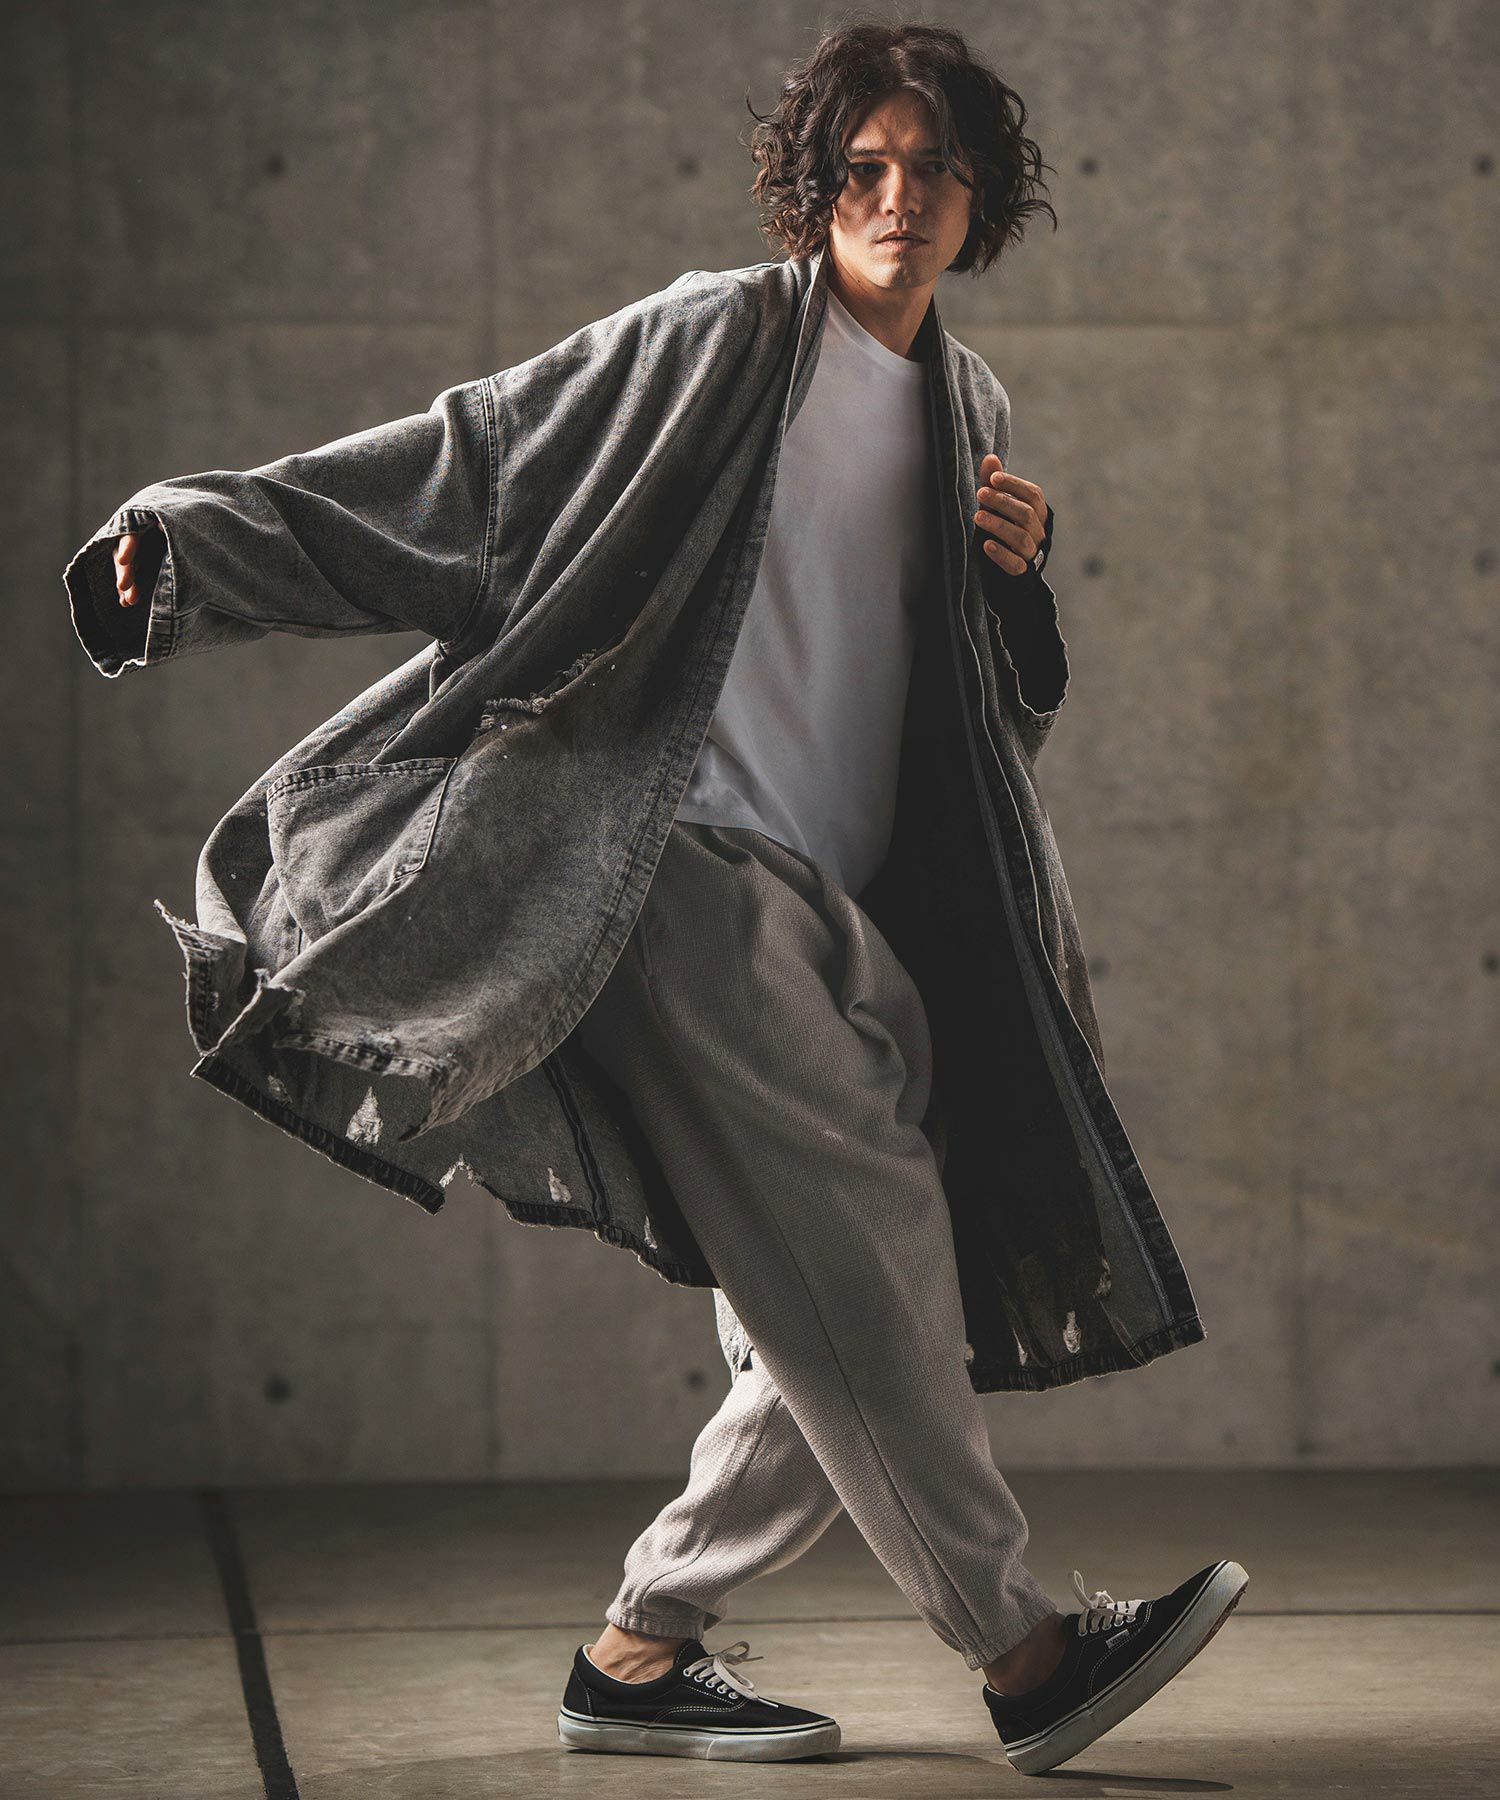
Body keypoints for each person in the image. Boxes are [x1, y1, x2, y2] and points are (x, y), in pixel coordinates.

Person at [86, 20, 1245, 1779]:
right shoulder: (715, 343)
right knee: (862, 1237)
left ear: (981, 197)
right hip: (670, 864)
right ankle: (1021, 1652)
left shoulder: (972, 411)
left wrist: (1020, 600)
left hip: (845, 897)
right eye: (864, 168)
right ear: (814, 187)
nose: (901, 199)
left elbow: (978, 721)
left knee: (840, 1286)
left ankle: (639, 1651)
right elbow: (470, 473)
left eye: (935, 169)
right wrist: (189, 544)